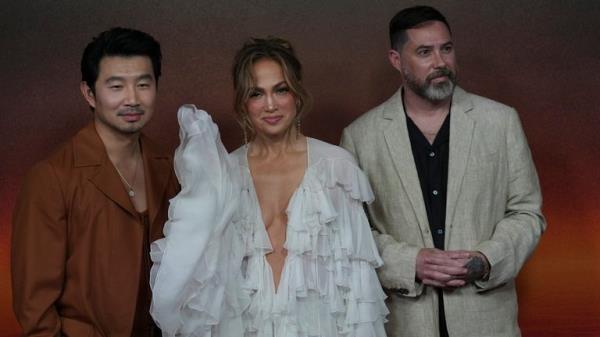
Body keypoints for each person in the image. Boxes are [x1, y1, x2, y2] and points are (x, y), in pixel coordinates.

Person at [150, 37, 388, 336]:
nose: (271, 105)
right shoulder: (227, 175)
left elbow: (357, 279)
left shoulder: (336, 167)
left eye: (281, 89)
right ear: (242, 103)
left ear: (297, 94)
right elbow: (207, 277)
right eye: (256, 93)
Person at [340, 6, 546, 337]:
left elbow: (527, 213)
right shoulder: (360, 137)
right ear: (396, 60)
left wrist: (486, 260)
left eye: (446, 49)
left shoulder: (501, 121)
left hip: (488, 322)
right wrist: (409, 264)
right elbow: (352, 234)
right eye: (424, 52)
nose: (440, 62)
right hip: (404, 324)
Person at [11, 27, 178, 336]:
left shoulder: (168, 167)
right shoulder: (51, 178)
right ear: (89, 93)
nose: (132, 99)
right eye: (116, 86)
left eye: (144, 84)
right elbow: (35, 309)